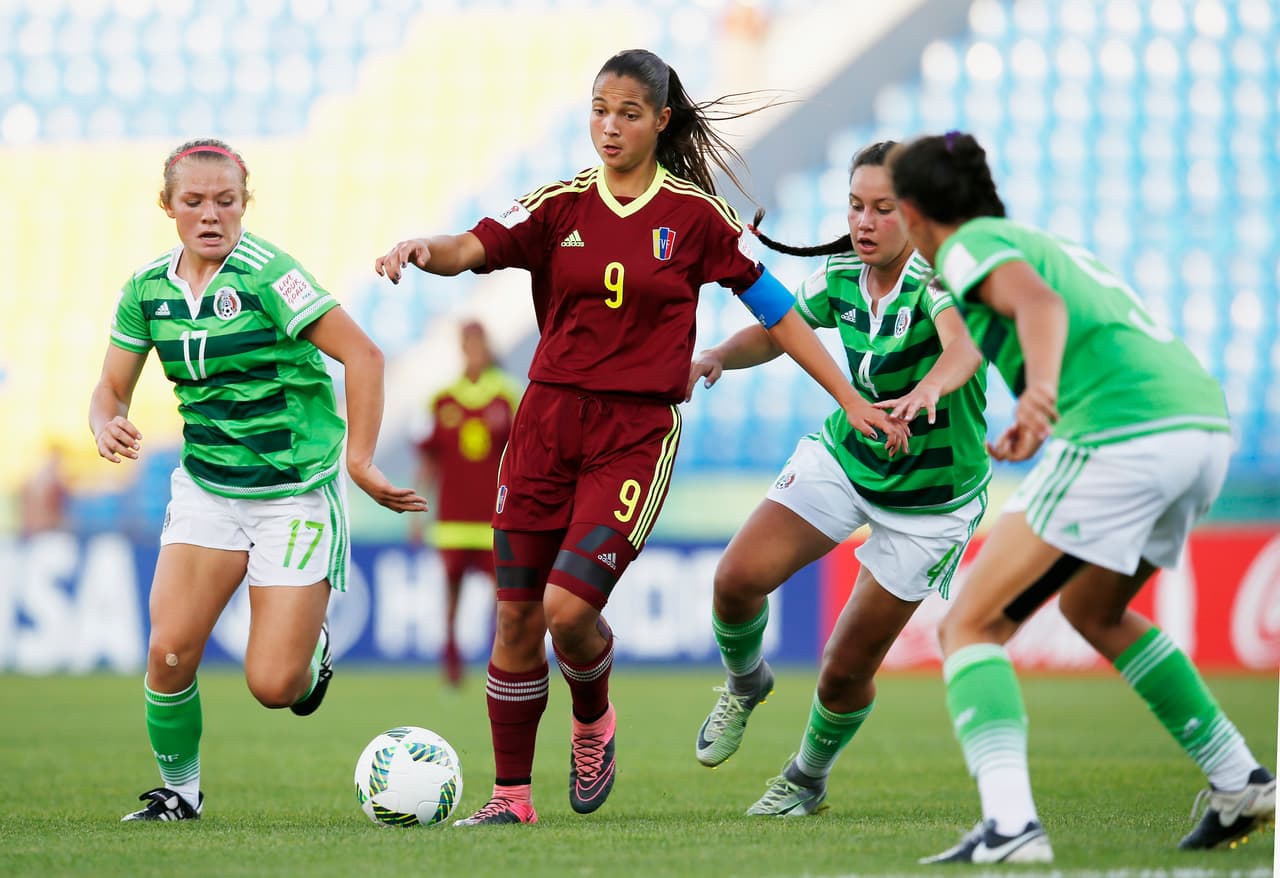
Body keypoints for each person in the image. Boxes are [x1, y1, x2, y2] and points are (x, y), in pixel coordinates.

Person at [374, 48, 909, 826]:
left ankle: (592, 714)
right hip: (546, 426)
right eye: (599, 110)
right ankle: (511, 799)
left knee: (565, 612)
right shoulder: (559, 205)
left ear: (660, 120)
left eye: (628, 113)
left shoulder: (695, 218)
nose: (610, 126)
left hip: (633, 435)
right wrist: (426, 250)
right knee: (517, 615)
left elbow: (780, 311)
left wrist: (848, 396)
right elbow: (473, 248)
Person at [884, 131, 1275, 863]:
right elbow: (1052, 307)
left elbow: (1041, 307)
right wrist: (1037, 412)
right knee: (1092, 609)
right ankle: (1240, 780)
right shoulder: (1021, 236)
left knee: (968, 626)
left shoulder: (967, 247)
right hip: (1198, 428)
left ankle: (1010, 827)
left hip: (1123, 435)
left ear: (911, 213)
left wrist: (1040, 394)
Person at [91, 138, 426, 822]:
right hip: (208, 492)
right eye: (195, 202)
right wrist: (106, 422)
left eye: (226, 201)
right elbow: (110, 390)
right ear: (168, 207)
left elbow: (362, 354)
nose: (211, 215)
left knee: (276, 686)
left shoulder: (269, 274)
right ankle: (179, 794)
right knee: (170, 650)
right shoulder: (146, 290)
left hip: (292, 496)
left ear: (246, 204)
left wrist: (359, 460)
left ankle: (312, 653)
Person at [686, 141, 989, 816]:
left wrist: (930, 389)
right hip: (849, 458)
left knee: (844, 669)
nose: (865, 221)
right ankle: (745, 682)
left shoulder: (940, 277)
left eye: (885, 208)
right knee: (734, 581)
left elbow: (966, 346)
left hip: (929, 500)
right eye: (856, 206)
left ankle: (806, 778)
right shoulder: (842, 271)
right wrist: (716, 356)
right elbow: (779, 331)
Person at [414, 319, 521, 685]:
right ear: (461, 347)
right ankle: (451, 658)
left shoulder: (508, 395)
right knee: (451, 590)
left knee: (502, 595)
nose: (474, 350)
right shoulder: (443, 398)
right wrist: (416, 510)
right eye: (468, 343)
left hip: (495, 516)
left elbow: (522, 456)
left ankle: (499, 659)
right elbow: (429, 459)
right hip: (453, 516)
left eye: (479, 343)